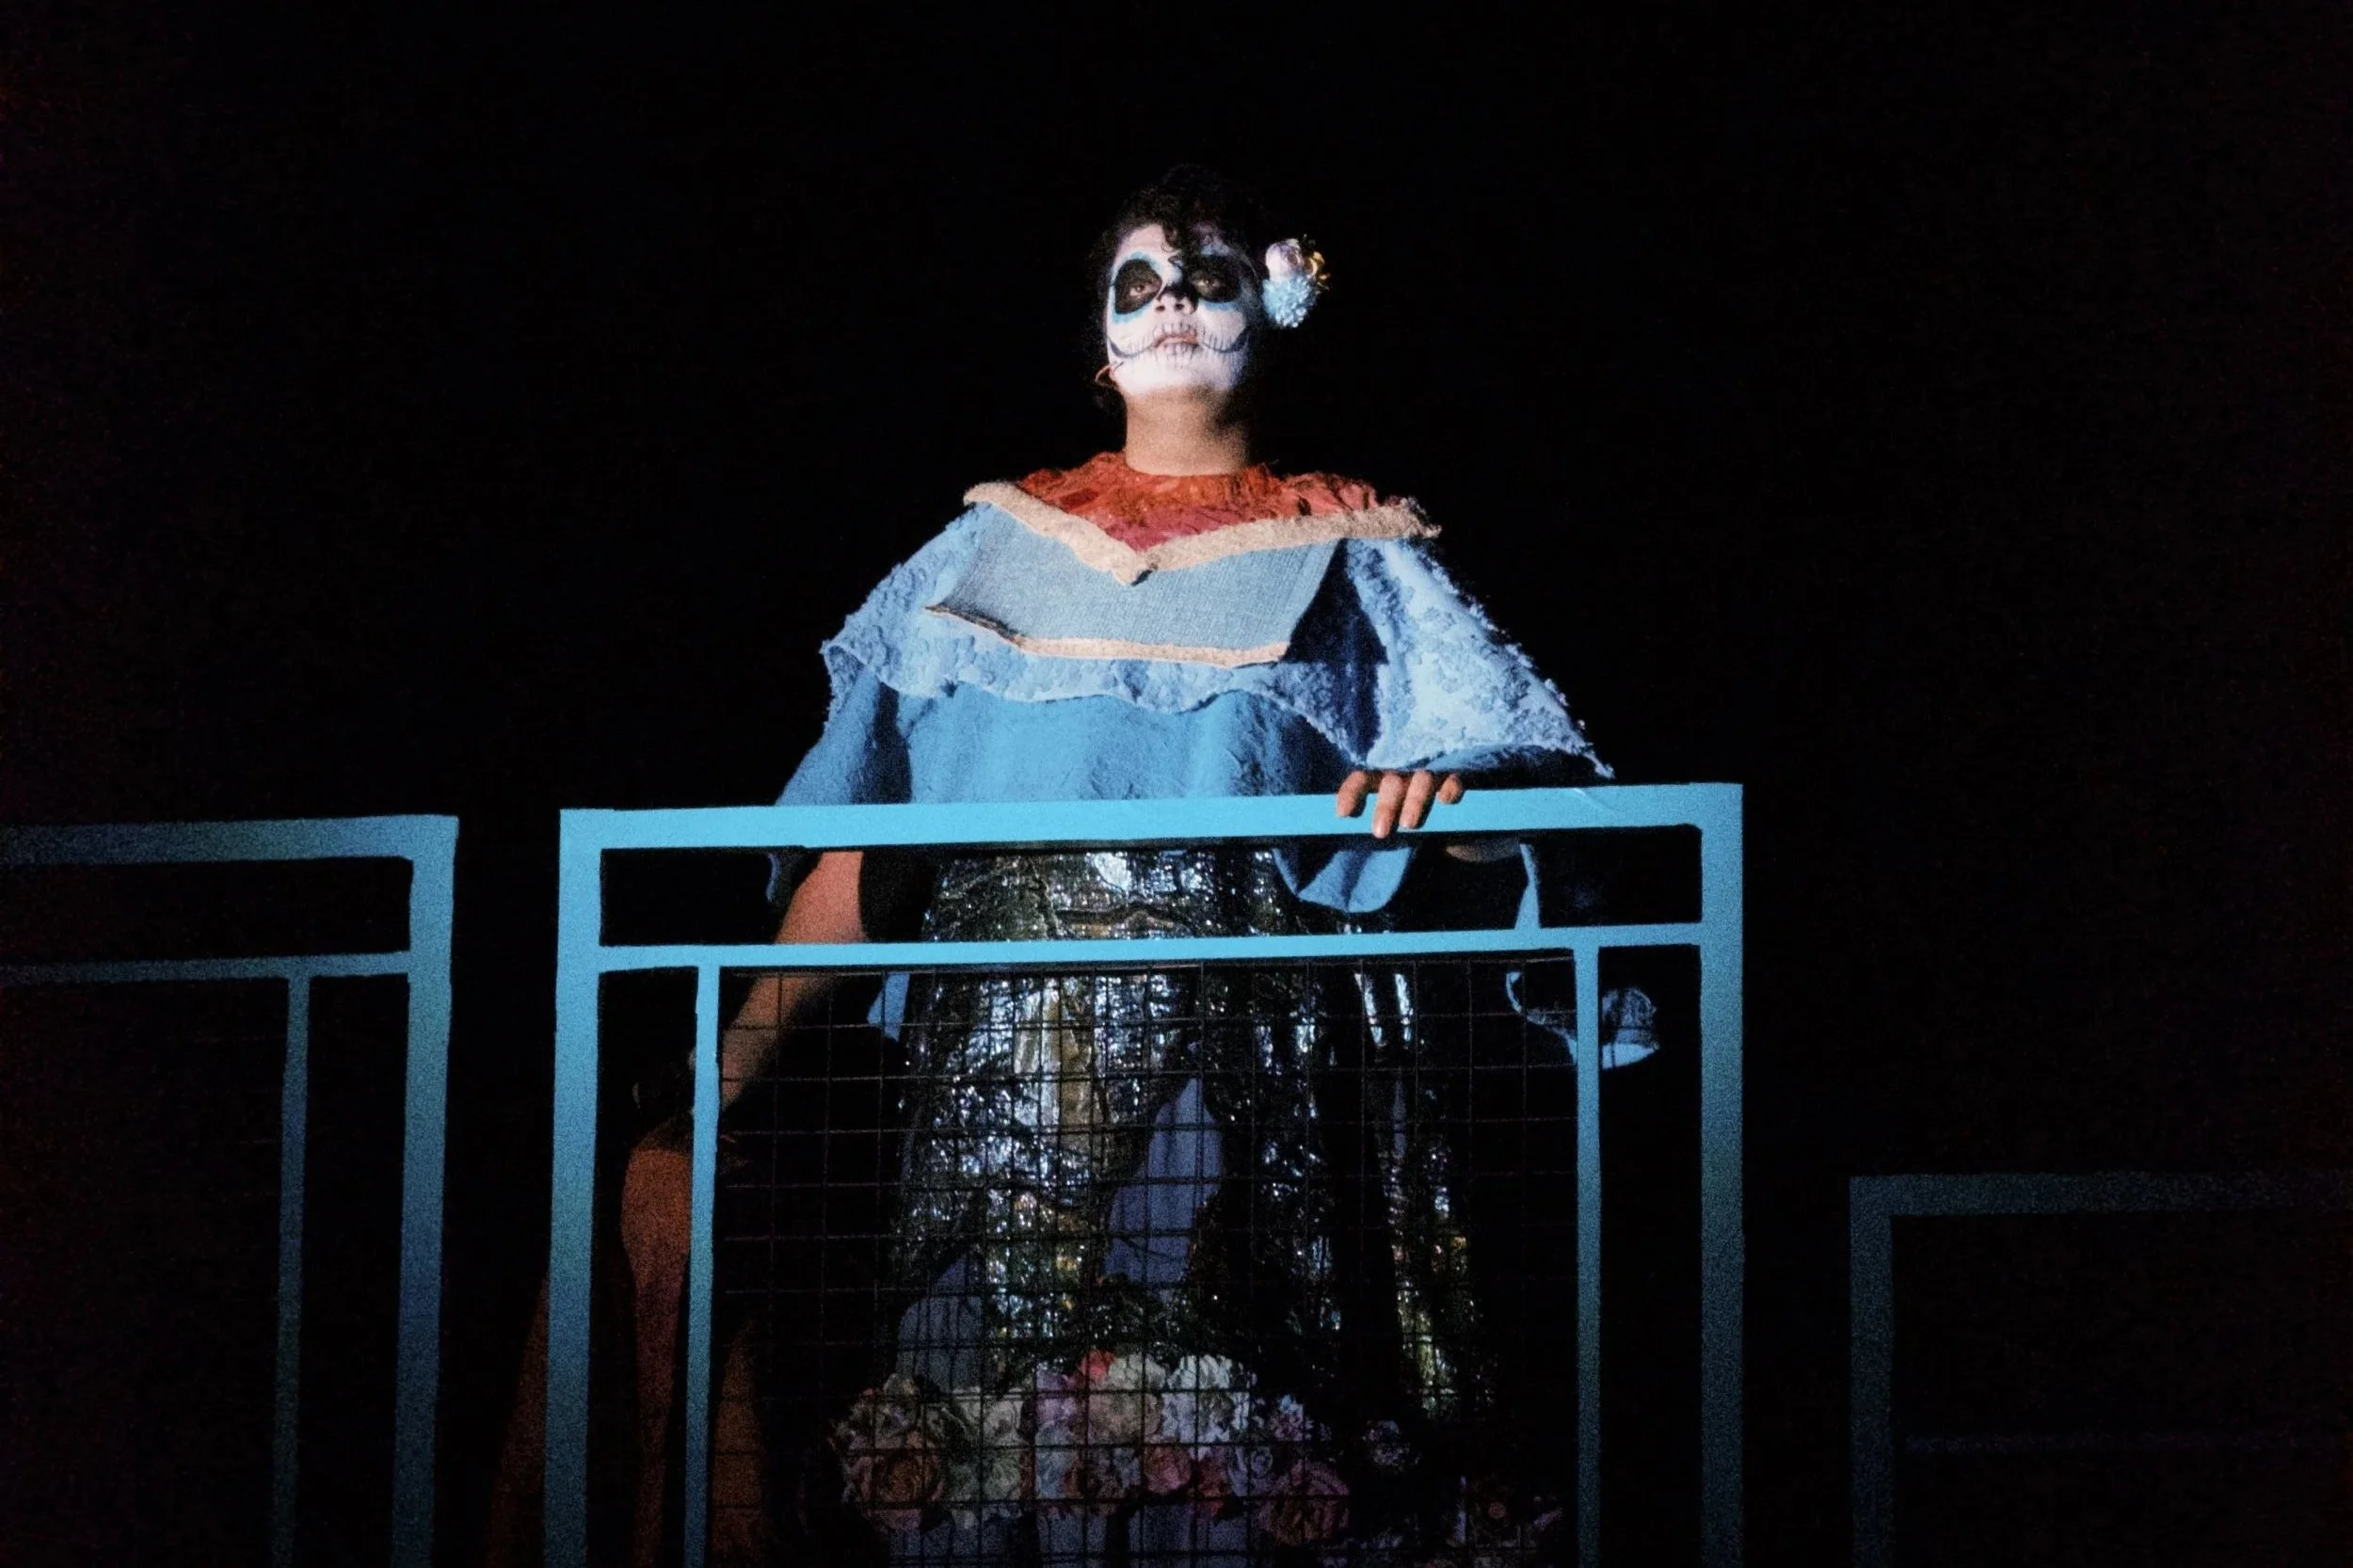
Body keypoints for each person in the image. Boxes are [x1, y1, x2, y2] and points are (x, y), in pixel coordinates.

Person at [492, 166, 1619, 1567]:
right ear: (1099, 350)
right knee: (987, 1456)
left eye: (1208, 273)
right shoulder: (987, 554)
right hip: (1001, 1074)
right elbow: (870, 849)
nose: (1173, 302)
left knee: (1220, 1463)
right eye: (1137, 283)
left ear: (1279, 303)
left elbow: (1497, 813)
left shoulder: (1360, 555)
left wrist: (1448, 796)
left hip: (1245, 1066)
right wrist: (731, 1071)